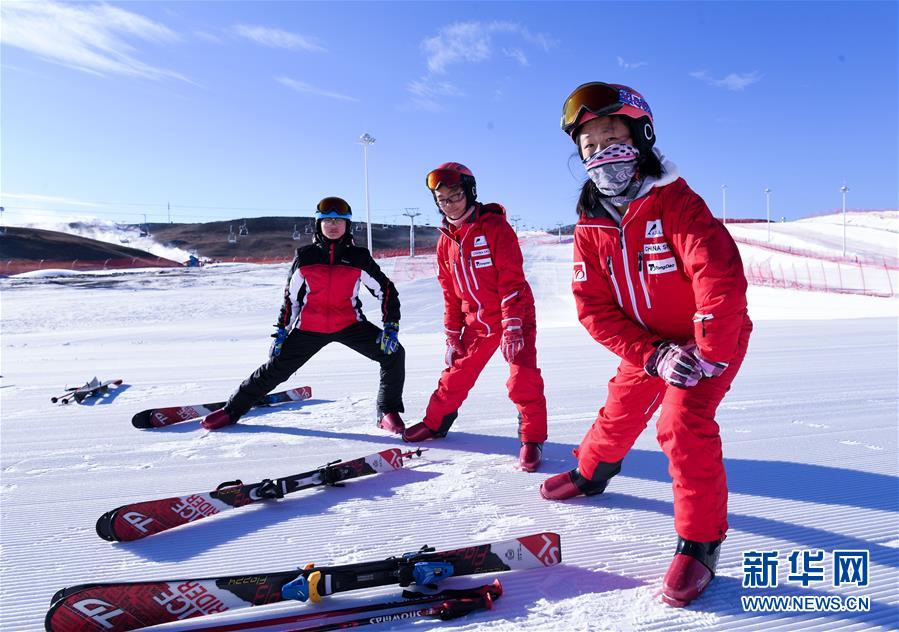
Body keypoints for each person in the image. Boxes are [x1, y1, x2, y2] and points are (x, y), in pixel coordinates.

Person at [540, 82, 753, 607]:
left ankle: (700, 543)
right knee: (619, 410)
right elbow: (593, 307)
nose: (602, 154)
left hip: (707, 341)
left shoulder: (677, 202)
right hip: (650, 346)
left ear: (641, 138)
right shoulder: (590, 224)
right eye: (590, 146)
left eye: (613, 139)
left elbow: (718, 276)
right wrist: (652, 354)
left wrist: (708, 351)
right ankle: (592, 473)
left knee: (681, 423)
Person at [202, 197, 406, 434]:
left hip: (350, 324)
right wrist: (281, 332)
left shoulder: (359, 257)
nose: (333, 225)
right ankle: (232, 410)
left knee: (394, 354)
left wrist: (391, 327)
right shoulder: (305, 256)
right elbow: (291, 299)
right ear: (319, 224)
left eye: (339, 221)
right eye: (327, 221)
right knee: (275, 369)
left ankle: (387, 412)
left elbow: (386, 291)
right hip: (310, 327)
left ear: (347, 225)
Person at [402, 163, 548, 472]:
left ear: (469, 193)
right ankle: (435, 423)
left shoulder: (494, 227)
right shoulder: (445, 241)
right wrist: (451, 332)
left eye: (455, 196)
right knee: (456, 374)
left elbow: (512, 280)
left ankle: (531, 439)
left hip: (515, 315)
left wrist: (512, 325)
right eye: (442, 199)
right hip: (477, 322)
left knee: (523, 378)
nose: (449, 204)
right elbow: (450, 292)